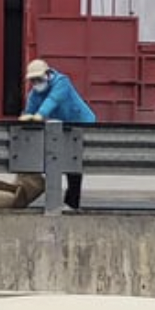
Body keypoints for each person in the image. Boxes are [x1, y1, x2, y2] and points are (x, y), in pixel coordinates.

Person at [18, 58, 96, 210]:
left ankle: (72, 202)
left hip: (81, 124)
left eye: (38, 79)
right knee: (60, 161)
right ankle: (66, 202)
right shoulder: (35, 94)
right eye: (33, 80)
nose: (36, 83)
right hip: (60, 128)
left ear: (47, 74)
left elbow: (53, 100)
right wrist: (25, 117)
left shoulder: (62, 82)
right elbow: (29, 110)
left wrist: (40, 115)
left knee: (73, 163)